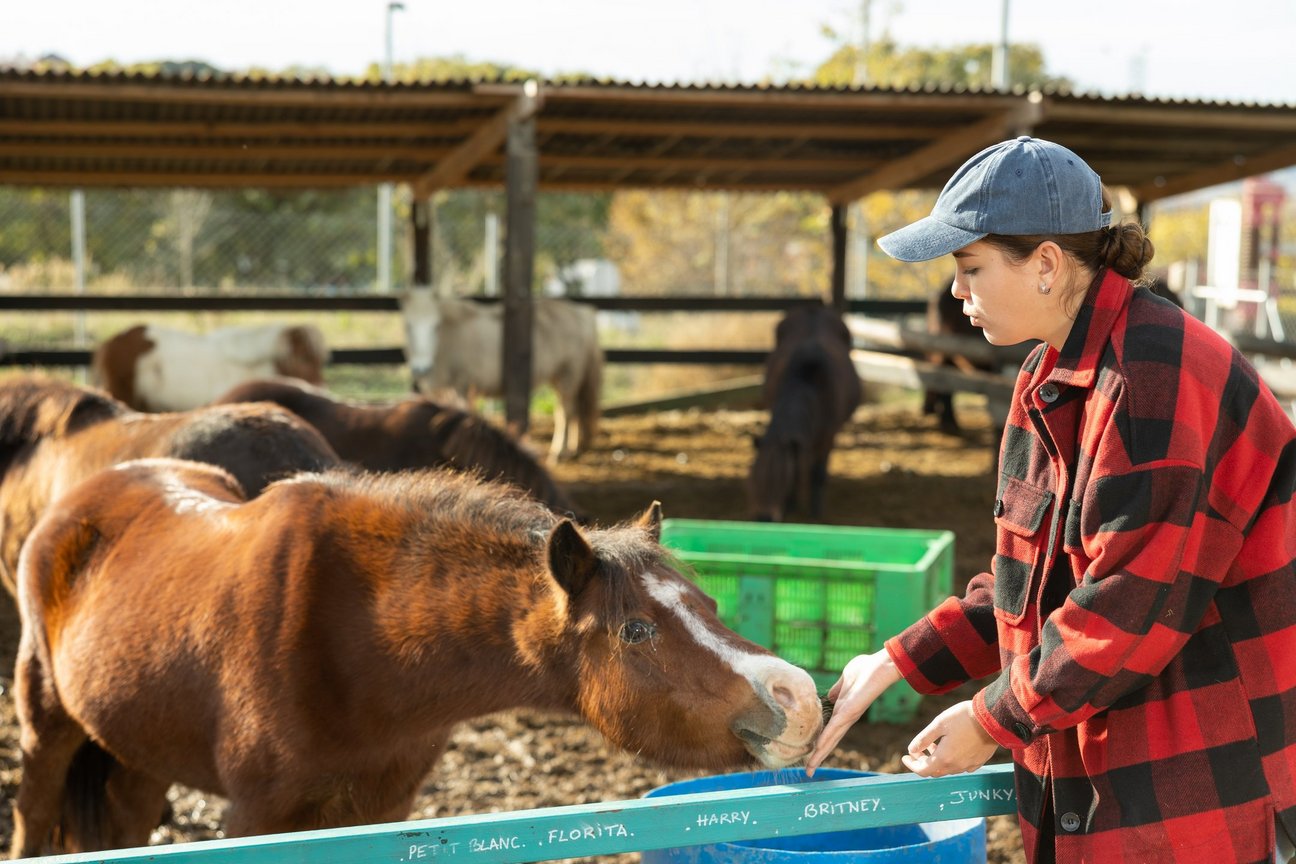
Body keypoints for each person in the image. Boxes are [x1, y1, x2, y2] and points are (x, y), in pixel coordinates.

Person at [805, 136, 1296, 863]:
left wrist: (991, 718)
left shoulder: (1156, 378)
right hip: (1099, 769)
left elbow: (1127, 608)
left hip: (1196, 771)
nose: (956, 292)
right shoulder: (1050, 374)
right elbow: (1029, 583)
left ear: (1045, 263)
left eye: (971, 267)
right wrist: (897, 660)